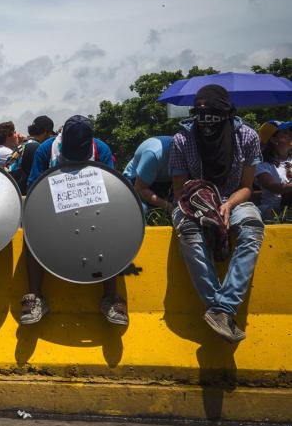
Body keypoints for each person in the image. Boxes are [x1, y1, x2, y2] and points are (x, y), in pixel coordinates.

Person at [170, 85, 263, 343]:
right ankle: (220, 309)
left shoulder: (247, 137)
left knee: (252, 229)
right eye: (198, 111)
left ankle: (221, 308)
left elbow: (247, 187)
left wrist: (228, 205)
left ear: (226, 112)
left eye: (210, 111)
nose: (204, 117)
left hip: (233, 198)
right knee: (189, 235)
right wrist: (205, 209)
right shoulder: (182, 139)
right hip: (192, 201)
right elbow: (179, 190)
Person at [22, 115, 126, 325]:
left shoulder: (100, 150)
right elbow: (34, 188)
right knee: (30, 234)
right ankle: (35, 297)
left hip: (93, 214)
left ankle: (111, 297)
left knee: (112, 232)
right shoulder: (47, 150)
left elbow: (112, 186)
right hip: (54, 215)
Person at [122, 136, 174, 215]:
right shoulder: (153, 154)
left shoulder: (191, 152)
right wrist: (169, 207)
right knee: (142, 210)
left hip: (162, 180)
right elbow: (140, 189)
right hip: (135, 180)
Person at [7, 115, 56, 195]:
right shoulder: (36, 148)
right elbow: (34, 179)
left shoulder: (24, 144)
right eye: (50, 134)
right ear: (46, 132)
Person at [255, 121, 292, 221]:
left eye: (289, 132)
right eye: (285, 133)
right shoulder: (262, 165)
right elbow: (273, 187)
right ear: (274, 140)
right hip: (273, 212)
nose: (290, 135)